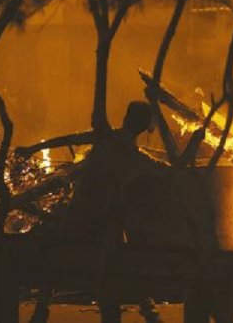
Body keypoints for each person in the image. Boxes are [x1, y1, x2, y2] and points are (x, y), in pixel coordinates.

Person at [17, 101, 164, 323]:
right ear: (144, 127)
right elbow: (164, 171)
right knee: (121, 263)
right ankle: (148, 311)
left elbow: (68, 139)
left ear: (126, 119)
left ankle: (41, 311)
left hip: (88, 212)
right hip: (103, 216)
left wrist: (32, 149)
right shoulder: (133, 154)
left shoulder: (109, 140)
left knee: (59, 258)